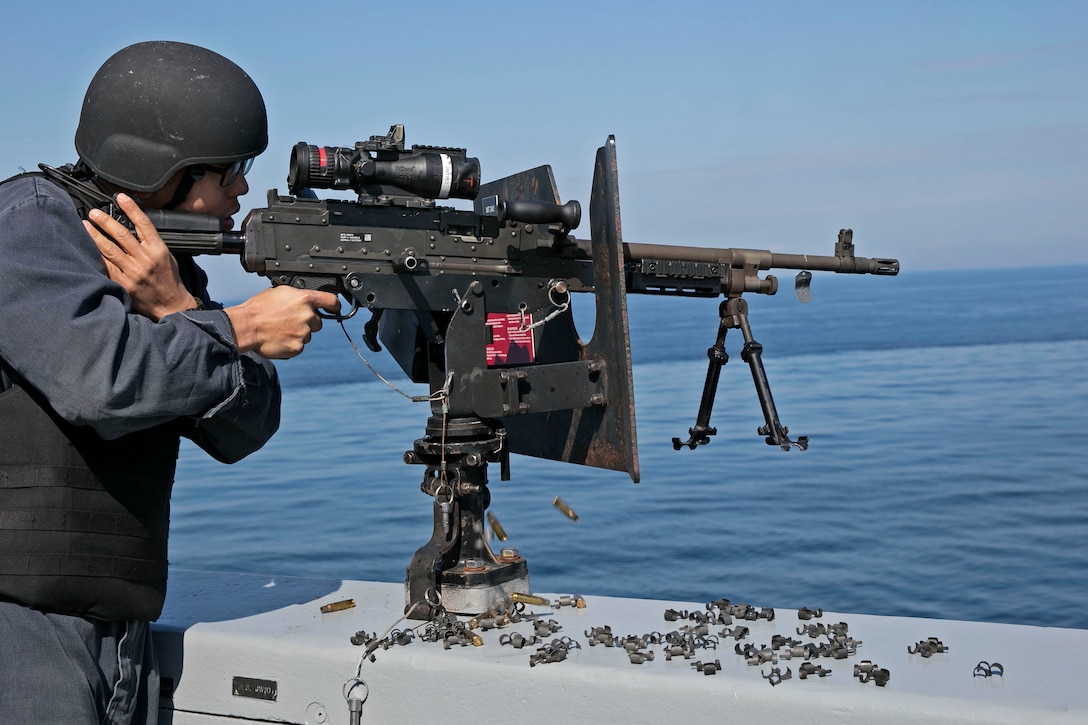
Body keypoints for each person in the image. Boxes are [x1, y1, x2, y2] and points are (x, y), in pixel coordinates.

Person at [0, 41, 340, 723]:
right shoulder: (29, 225)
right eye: (231, 170)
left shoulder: (164, 266)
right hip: (24, 634)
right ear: (167, 167)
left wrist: (183, 312)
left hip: (120, 640)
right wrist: (236, 327)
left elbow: (249, 424)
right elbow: (98, 378)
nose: (241, 190)